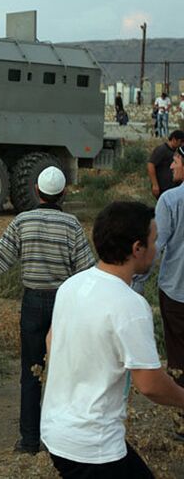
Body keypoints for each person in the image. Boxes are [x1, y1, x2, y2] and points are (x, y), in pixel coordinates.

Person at [41, 201, 184, 477]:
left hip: (56, 431)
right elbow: (150, 384)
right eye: (153, 241)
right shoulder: (130, 305)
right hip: (93, 447)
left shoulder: (72, 286)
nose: (156, 250)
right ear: (137, 248)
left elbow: (51, 341)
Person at [0, 167, 95, 454]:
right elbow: (87, 269)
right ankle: (62, 439)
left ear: (36, 190)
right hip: (64, 304)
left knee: (31, 371)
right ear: (63, 192)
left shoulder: (23, 221)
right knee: (64, 371)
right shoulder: (72, 225)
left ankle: (29, 440)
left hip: (32, 303)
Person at [152, 145, 184, 440]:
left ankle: (183, 422)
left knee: (178, 356)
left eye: (176, 160)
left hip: (176, 292)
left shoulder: (171, 200)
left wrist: (134, 282)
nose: (172, 166)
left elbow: (156, 246)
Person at [147, 130, 184, 199]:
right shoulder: (162, 150)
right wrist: (155, 184)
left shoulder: (176, 151)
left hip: (171, 187)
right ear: (174, 139)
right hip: (162, 187)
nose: (181, 144)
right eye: (180, 142)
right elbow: (151, 165)